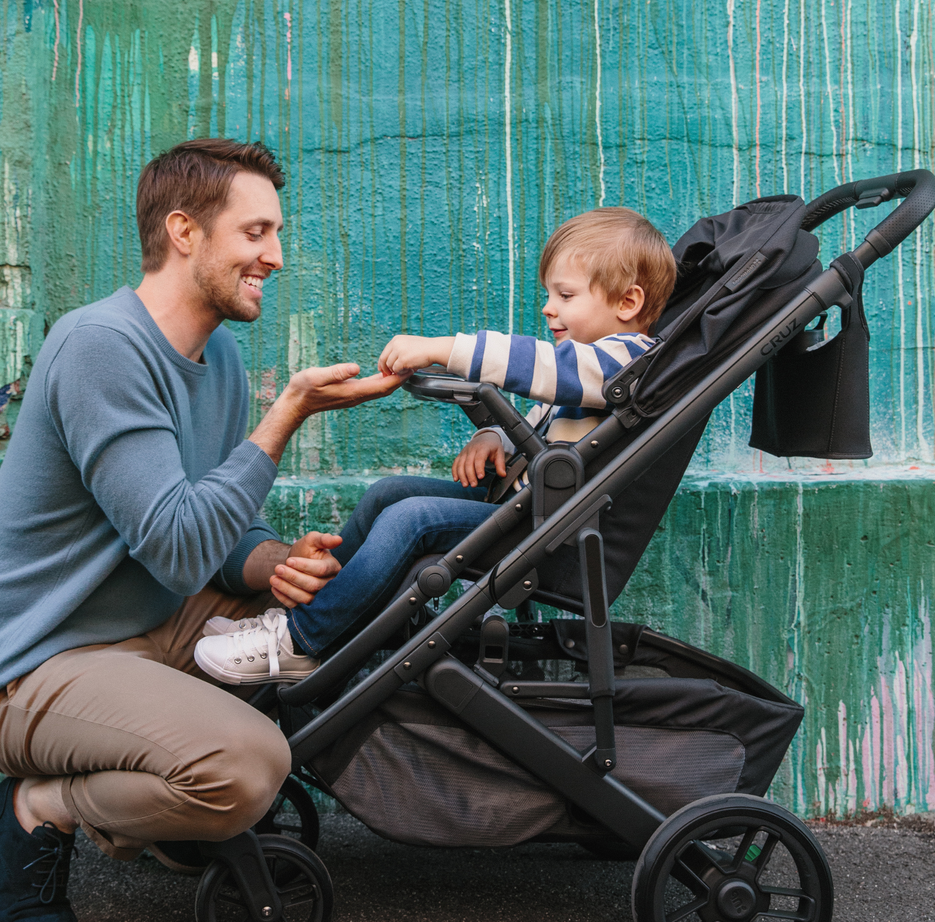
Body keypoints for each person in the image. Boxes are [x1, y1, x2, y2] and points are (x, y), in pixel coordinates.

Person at [0, 138, 404, 922]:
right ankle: (34, 813)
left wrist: (272, 565)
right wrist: (285, 414)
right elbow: (180, 548)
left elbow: (214, 533)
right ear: (185, 231)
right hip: (27, 669)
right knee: (248, 769)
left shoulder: (215, 353)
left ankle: (161, 804)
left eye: (277, 234)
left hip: (148, 631)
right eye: (257, 233)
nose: (277, 256)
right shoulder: (100, 348)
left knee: (332, 625)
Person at [194, 207, 676, 685]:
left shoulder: (630, 363)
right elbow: (541, 420)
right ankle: (316, 613)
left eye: (565, 295)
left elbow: (546, 368)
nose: (548, 307)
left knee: (413, 519)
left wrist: (446, 349)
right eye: (549, 294)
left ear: (628, 302)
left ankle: (300, 641)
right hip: (522, 509)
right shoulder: (594, 369)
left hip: (552, 534)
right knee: (389, 493)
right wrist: (493, 436)